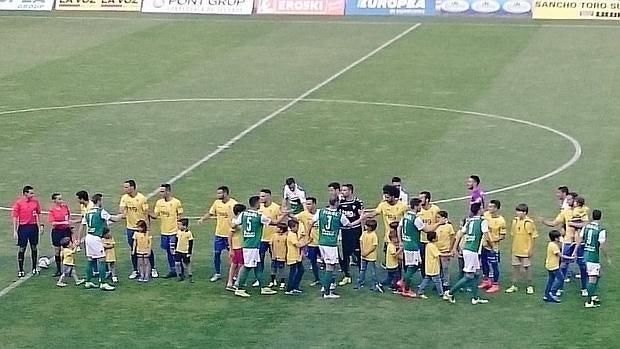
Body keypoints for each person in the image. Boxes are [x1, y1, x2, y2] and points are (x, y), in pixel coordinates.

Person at [310, 197, 361, 299]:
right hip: (331, 244)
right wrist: (361, 219)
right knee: (330, 267)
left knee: (327, 265)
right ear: (337, 203)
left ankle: (326, 287)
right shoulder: (339, 215)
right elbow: (349, 225)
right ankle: (327, 292)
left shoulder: (321, 212)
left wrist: (308, 235)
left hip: (321, 242)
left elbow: (311, 222)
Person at [231, 196, 282, 297]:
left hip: (248, 244)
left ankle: (263, 288)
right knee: (247, 267)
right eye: (259, 202)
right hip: (252, 246)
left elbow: (233, 225)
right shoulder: (259, 216)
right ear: (256, 203)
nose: (261, 204)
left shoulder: (243, 214)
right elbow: (275, 223)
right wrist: (285, 214)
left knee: (258, 266)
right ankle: (239, 288)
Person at [443, 205, 489, 305]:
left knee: (476, 273)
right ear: (479, 210)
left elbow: (459, 234)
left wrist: (454, 248)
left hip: (468, 249)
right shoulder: (483, 221)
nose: (483, 209)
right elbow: (486, 236)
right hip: (472, 251)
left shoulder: (469, 221)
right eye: (482, 208)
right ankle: (450, 293)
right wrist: (488, 245)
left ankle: (475, 298)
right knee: (469, 276)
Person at [399, 198, 443, 298]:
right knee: (413, 266)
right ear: (415, 206)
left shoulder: (406, 216)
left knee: (415, 265)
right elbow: (427, 230)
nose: (420, 207)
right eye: (419, 206)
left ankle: (403, 282)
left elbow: (399, 228)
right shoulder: (416, 218)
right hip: (413, 246)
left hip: (407, 244)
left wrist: (401, 240)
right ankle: (405, 288)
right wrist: (439, 223)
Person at [198, 186, 238, 282]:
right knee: (217, 254)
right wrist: (202, 219)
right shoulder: (217, 203)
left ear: (225, 193)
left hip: (230, 235)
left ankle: (235, 275)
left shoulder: (234, 204)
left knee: (232, 256)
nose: (218, 195)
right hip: (219, 234)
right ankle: (217, 273)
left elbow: (239, 217)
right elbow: (211, 213)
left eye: (220, 193)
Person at [539, 192, 577, 292]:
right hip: (568, 241)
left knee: (582, 264)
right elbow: (554, 223)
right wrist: (544, 221)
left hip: (579, 241)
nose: (567, 202)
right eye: (567, 200)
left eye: (569, 200)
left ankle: (584, 288)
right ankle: (559, 288)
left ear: (575, 200)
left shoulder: (582, 211)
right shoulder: (565, 212)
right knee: (564, 264)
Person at [119, 180, 157, 279]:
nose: (124, 189)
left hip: (142, 228)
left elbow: (146, 214)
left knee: (147, 248)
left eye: (126, 187)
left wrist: (147, 229)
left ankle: (152, 268)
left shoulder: (141, 199)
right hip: (130, 228)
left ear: (132, 187)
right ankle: (136, 270)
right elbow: (121, 210)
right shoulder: (124, 198)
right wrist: (123, 212)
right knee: (134, 249)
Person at [83, 193, 119, 291]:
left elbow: (83, 225)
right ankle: (103, 283)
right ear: (98, 201)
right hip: (96, 238)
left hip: (88, 237)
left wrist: (78, 239)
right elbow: (113, 219)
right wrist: (122, 215)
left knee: (90, 260)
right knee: (101, 260)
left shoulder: (88, 212)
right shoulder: (101, 212)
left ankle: (88, 281)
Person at [366, 185, 407, 269]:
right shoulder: (383, 205)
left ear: (393, 196)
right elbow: (374, 213)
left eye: (388, 197)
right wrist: (365, 215)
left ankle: (401, 278)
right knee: (390, 259)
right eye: (385, 196)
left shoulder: (402, 206)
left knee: (400, 259)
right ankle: (392, 277)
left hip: (399, 237)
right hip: (388, 237)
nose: (386, 198)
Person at [151, 184, 184, 279]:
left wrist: (180, 230)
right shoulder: (159, 203)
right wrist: (147, 212)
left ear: (168, 191)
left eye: (162, 191)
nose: (160, 193)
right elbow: (155, 215)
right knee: (168, 251)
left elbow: (180, 216)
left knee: (174, 251)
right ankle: (173, 269)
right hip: (164, 232)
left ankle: (180, 270)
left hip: (174, 231)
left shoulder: (176, 202)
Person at [578, 210, 610, 308]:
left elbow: (580, 238)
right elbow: (602, 245)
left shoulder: (586, 227)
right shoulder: (600, 229)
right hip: (593, 257)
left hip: (586, 254)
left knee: (598, 274)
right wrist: (607, 256)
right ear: (600, 217)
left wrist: (576, 250)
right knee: (592, 279)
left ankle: (593, 295)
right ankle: (589, 301)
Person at [505, 203, 538, 295]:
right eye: (517, 211)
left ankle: (530, 286)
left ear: (525, 213)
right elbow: (513, 234)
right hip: (516, 249)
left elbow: (533, 237)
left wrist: (530, 249)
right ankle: (514, 285)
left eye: (520, 211)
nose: (518, 213)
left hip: (525, 250)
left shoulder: (529, 223)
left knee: (527, 268)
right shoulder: (514, 221)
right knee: (515, 268)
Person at [12, 185, 42, 277]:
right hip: (23, 228)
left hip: (33, 227)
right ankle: (21, 269)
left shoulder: (35, 202)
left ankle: (34, 268)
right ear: (25, 193)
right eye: (31, 193)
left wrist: (40, 226)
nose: (33, 195)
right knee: (22, 248)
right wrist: (15, 230)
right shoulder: (19, 203)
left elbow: (38, 214)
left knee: (34, 247)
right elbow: (15, 217)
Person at [337, 183, 364, 286]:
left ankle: (361, 277)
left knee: (358, 254)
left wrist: (352, 224)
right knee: (343, 254)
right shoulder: (340, 203)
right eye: (342, 190)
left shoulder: (357, 203)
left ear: (350, 191)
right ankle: (346, 275)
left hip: (355, 231)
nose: (342, 192)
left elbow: (362, 216)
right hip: (343, 232)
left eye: (344, 190)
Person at [256, 189, 283, 287]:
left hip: (273, 239)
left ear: (269, 196)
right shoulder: (259, 208)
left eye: (263, 196)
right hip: (262, 238)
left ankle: (274, 278)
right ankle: (258, 279)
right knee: (260, 259)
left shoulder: (276, 207)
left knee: (274, 259)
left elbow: (281, 221)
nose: (261, 198)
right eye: (260, 196)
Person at [480, 200, 506, 293]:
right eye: (489, 206)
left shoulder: (501, 221)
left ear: (496, 208)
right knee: (484, 263)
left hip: (493, 247)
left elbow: (502, 236)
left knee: (494, 265)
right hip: (484, 245)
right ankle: (486, 280)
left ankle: (495, 284)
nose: (489, 208)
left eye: (491, 207)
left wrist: (492, 241)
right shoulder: (486, 215)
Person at [295, 197, 321, 286]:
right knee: (313, 261)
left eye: (309, 204)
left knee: (327, 262)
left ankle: (331, 279)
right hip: (311, 243)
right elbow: (294, 219)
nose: (307, 206)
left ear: (314, 204)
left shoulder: (320, 213)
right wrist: (286, 214)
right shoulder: (303, 214)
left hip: (321, 242)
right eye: (306, 204)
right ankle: (317, 279)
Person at [417, 191, 441, 277]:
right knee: (423, 260)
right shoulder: (418, 211)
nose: (420, 200)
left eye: (421, 198)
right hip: (421, 240)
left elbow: (440, 221)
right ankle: (425, 277)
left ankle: (438, 277)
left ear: (427, 199)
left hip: (433, 240)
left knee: (436, 259)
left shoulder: (435, 209)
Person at [48, 193, 72, 277]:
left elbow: (68, 217)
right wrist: (64, 222)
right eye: (59, 199)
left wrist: (69, 226)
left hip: (66, 230)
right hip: (57, 232)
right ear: (54, 200)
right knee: (57, 250)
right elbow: (53, 222)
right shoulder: (52, 210)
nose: (61, 200)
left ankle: (69, 269)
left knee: (68, 249)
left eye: (61, 199)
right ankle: (58, 270)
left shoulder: (65, 207)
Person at [543, 230, 569, 303]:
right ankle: (552, 292)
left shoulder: (551, 244)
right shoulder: (554, 246)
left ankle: (546, 295)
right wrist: (570, 258)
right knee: (561, 279)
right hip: (554, 266)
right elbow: (559, 255)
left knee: (551, 280)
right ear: (556, 238)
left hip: (549, 265)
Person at [354, 220, 380, 292]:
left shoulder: (374, 235)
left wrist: (366, 253)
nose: (365, 227)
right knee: (362, 270)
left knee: (372, 271)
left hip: (371, 257)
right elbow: (361, 241)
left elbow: (374, 246)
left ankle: (374, 285)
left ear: (371, 227)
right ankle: (359, 283)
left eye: (367, 226)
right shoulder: (364, 233)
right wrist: (362, 251)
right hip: (363, 256)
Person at [416, 231, 443, 299]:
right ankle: (441, 293)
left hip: (429, 266)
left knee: (427, 279)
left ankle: (420, 292)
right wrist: (449, 254)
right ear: (433, 239)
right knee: (438, 280)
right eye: (436, 236)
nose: (437, 237)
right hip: (433, 267)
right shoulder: (432, 246)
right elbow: (438, 254)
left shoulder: (428, 245)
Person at [226, 204, 246, 291]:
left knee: (236, 264)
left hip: (240, 246)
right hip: (238, 246)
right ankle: (235, 282)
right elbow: (230, 235)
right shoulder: (236, 222)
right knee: (238, 265)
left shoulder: (238, 221)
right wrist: (231, 248)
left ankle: (232, 281)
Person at [284, 220, 306, 295]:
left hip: (296, 256)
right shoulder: (292, 234)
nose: (298, 228)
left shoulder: (294, 234)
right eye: (297, 227)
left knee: (301, 270)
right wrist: (307, 242)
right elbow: (297, 245)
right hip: (292, 256)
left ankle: (295, 287)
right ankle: (289, 289)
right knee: (293, 273)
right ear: (292, 227)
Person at [435, 210, 456, 288]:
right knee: (438, 268)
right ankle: (439, 282)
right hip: (437, 250)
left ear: (444, 218)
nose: (437, 219)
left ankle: (446, 283)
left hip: (445, 249)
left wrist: (451, 248)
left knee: (445, 268)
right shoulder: (436, 226)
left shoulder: (449, 226)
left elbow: (453, 237)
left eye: (438, 217)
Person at [381, 227, 402, 293]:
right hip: (393, 265)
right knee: (396, 277)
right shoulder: (392, 246)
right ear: (392, 239)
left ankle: (381, 284)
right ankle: (395, 288)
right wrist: (400, 250)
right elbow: (394, 255)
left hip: (390, 265)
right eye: (396, 238)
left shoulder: (390, 245)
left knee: (389, 278)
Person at [174, 218, 194, 283]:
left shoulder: (189, 233)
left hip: (185, 251)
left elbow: (191, 243)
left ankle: (190, 275)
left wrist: (189, 252)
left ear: (184, 226)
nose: (178, 226)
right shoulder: (178, 232)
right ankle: (179, 275)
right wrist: (175, 249)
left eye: (179, 225)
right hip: (178, 250)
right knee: (177, 263)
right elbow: (176, 240)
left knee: (187, 264)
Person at [269, 223, 288, 289]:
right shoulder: (274, 235)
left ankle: (282, 282)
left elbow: (287, 246)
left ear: (281, 230)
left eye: (277, 227)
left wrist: (286, 255)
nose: (276, 228)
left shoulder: (285, 237)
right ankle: (272, 281)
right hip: (275, 256)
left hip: (282, 256)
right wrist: (272, 253)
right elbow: (271, 244)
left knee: (281, 269)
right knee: (273, 268)